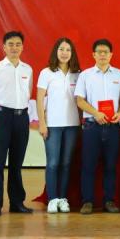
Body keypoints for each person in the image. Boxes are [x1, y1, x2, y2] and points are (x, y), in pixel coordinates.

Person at [0, 31, 33, 217]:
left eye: (18, 44)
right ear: (4, 47)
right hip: (2, 117)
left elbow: (28, 93)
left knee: (16, 163)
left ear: (22, 47)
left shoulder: (27, 69)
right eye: (10, 44)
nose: (14, 47)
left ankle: (17, 203)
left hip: (22, 118)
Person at [74, 39, 120, 215]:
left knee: (110, 165)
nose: (103, 55)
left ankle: (109, 201)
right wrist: (96, 113)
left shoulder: (119, 75)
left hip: (112, 126)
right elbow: (79, 100)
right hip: (92, 126)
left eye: (106, 52)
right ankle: (87, 201)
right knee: (88, 165)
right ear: (93, 55)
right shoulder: (85, 75)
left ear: (111, 55)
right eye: (99, 52)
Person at [36, 38, 81, 213]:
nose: (64, 53)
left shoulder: (77, 74)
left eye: (68, 50)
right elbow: (40, 99)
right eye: (61, 49)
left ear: (72, 53)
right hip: (53, 126)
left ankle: (62, 199)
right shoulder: (46, 72)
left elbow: (81, 101)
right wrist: (42, 123)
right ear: (56, 51)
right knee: (53, 163)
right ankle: (52, 199)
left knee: (66, 163)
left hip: (72, 125)